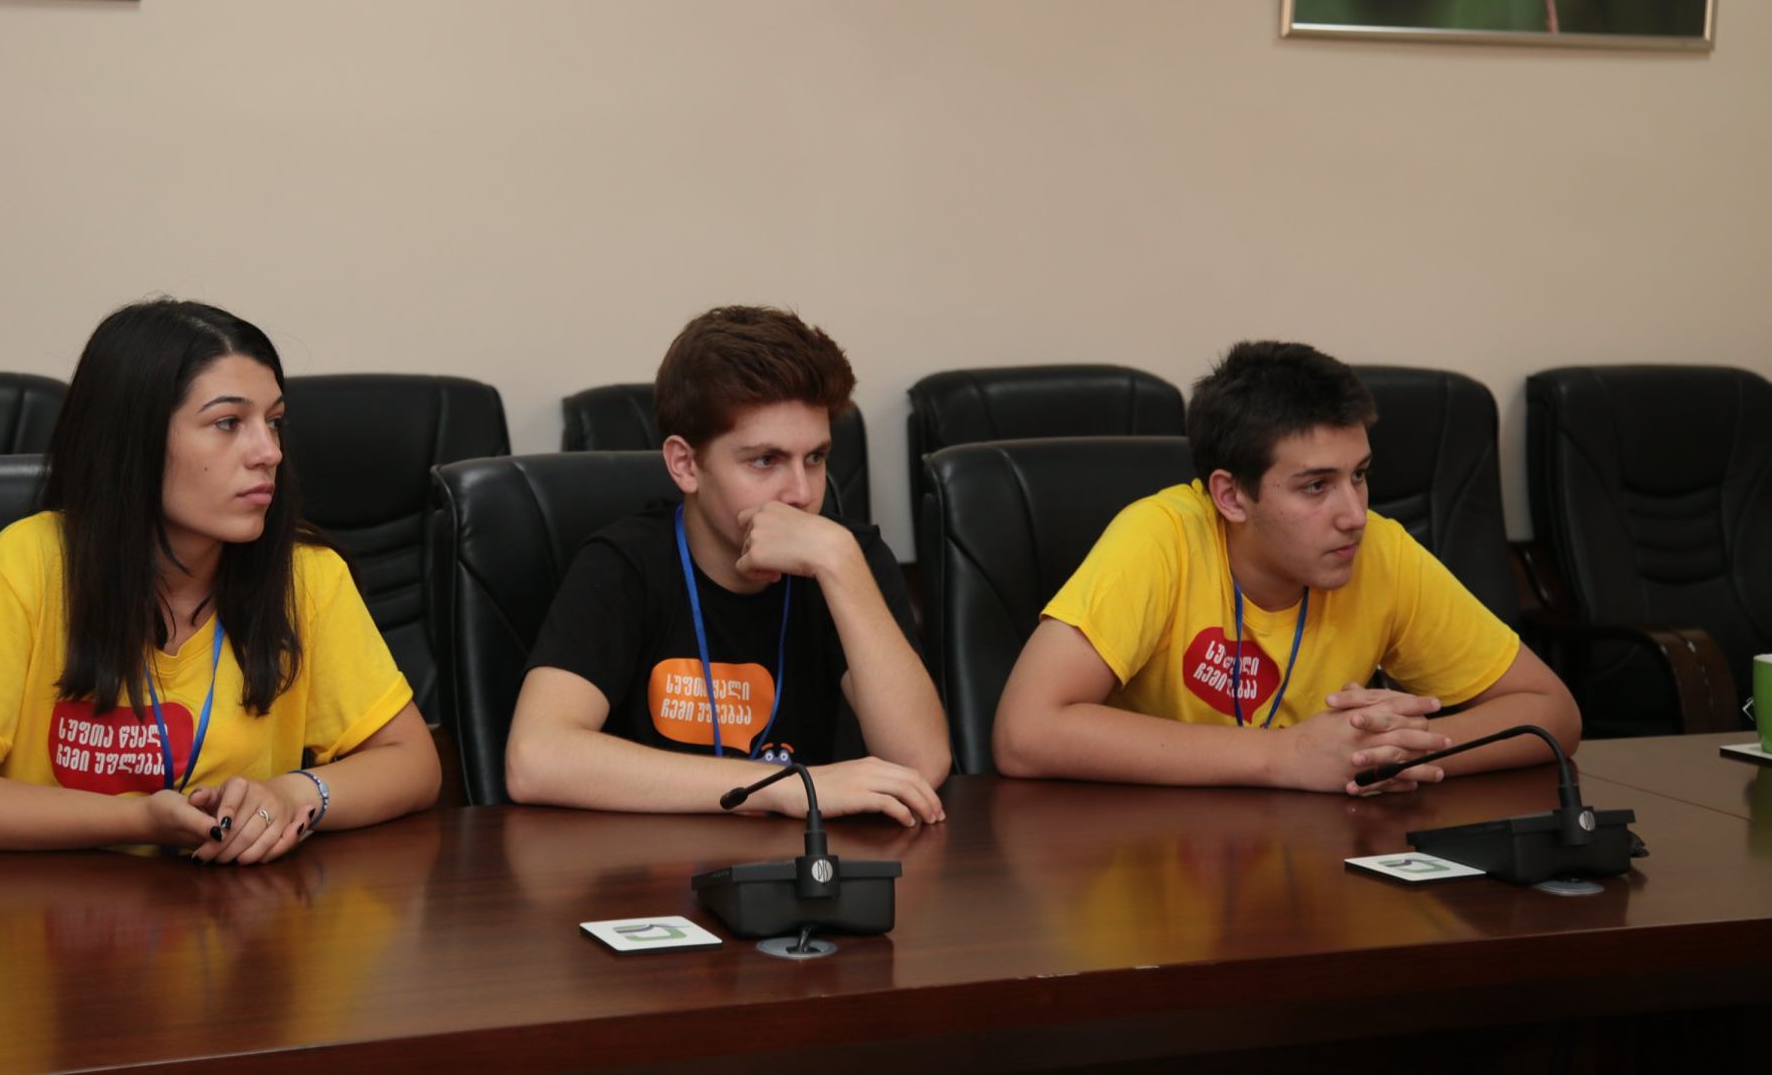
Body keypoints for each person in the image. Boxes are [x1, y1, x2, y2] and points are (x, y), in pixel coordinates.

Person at [0, 299, 440, 863]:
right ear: (134, 441)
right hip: (44, 909)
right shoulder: (29, 562)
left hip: (237, 911)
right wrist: (140, 819)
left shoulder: (303, 575)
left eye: (273, 422)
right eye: (227, 423)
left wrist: (297, 793)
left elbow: (413, 762)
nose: (269, 453)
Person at [993, 340, 1580, 795]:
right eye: (1316, 486)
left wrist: (1396, 751)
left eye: (1359, 475)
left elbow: (1551, 710)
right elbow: (1025, 733)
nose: (1354, 515)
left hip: (1312, 852)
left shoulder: (1379, 549)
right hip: (1147, 858)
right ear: (1231, 497)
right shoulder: (1160, 537)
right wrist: (1286, 756)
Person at [507, 306, 951, 825]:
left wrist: (840, 564)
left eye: (815, 458)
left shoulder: (845, 556)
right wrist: (778, 787)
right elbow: (535, 759)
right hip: (652, 862)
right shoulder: (624, 564)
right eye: (765, 460)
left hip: (806, 861)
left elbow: (919, 765)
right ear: (685, 464)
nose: (802, 493)